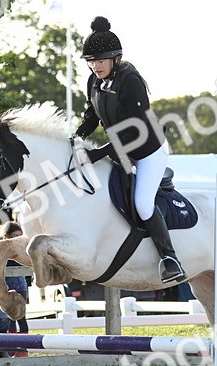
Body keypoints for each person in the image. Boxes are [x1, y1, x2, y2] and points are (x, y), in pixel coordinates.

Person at [72, 16, 183, 284]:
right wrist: (76, 137)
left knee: (142, 203)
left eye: (100, 60)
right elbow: (92, 117)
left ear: (115, 59)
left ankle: (170, 259)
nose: (95, 66)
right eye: (91, 61)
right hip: (121, 148)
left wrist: (100, 153)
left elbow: (137, 130)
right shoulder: (93, 82)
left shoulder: (130, 81)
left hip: (148, 149)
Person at [2, 221, 30, 338]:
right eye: (15, 236)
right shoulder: (4, 249)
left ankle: (24, 347)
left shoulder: (24, 248)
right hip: (8, 286)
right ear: (7, 236)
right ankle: (11, 346)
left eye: (20, 235)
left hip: (21, 286)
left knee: (22, 316)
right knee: (10, 318)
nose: (18, 238)